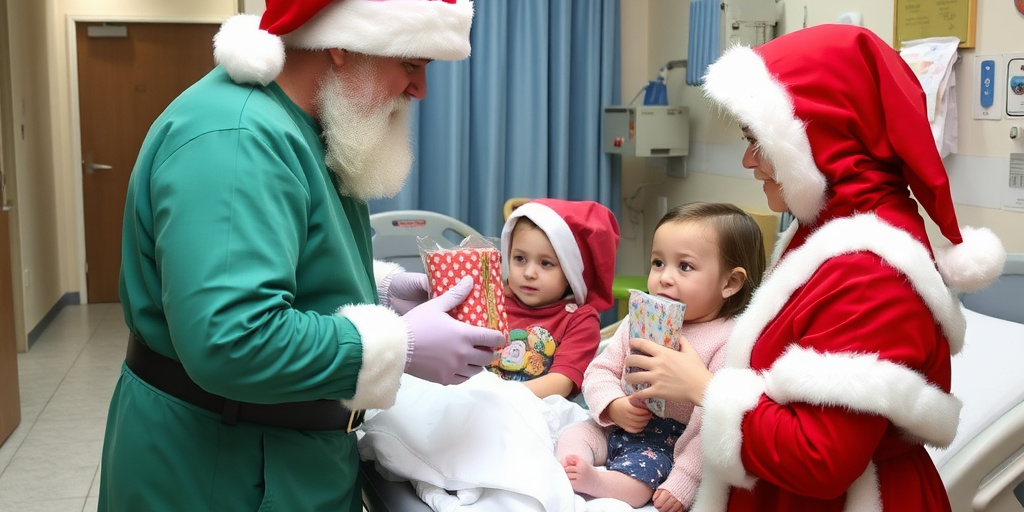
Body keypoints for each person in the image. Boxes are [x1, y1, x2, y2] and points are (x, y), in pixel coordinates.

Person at [97, 1, 506, 511]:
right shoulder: (239, 137)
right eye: (410, 64)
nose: (420, 89)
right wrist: (398, 345)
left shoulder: (302, 124)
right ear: (342, 44)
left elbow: (284, 258)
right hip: (221, 469)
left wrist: (377, 292)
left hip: (282, 455)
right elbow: (232, 338)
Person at [622, 25, 1007, 512]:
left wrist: (704, 387)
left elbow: (822, 460)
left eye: (757, 141)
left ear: (818, 138)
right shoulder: (822, 235)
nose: (748, 160)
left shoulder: (873, 274)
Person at [555, 202, 766, 511]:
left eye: (685, 267)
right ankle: (568, 470)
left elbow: (712, 421)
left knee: (642, 480)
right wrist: (614, 406)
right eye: (657, 263)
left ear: (730, 283)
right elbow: (601, 369)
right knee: (574, 434)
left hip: (671, 441)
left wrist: (686, 478)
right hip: (622, 422)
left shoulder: (728, 340)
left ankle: (599, 484)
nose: (664, 278)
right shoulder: (640, 318)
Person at [489, 198, 620, 398]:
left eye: (546, 263)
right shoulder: (492, 299)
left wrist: (497, 397)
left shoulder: (580, 320)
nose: (529, 273)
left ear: (571, 272)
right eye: (520, 259)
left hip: (537, 416)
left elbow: (561, 382)